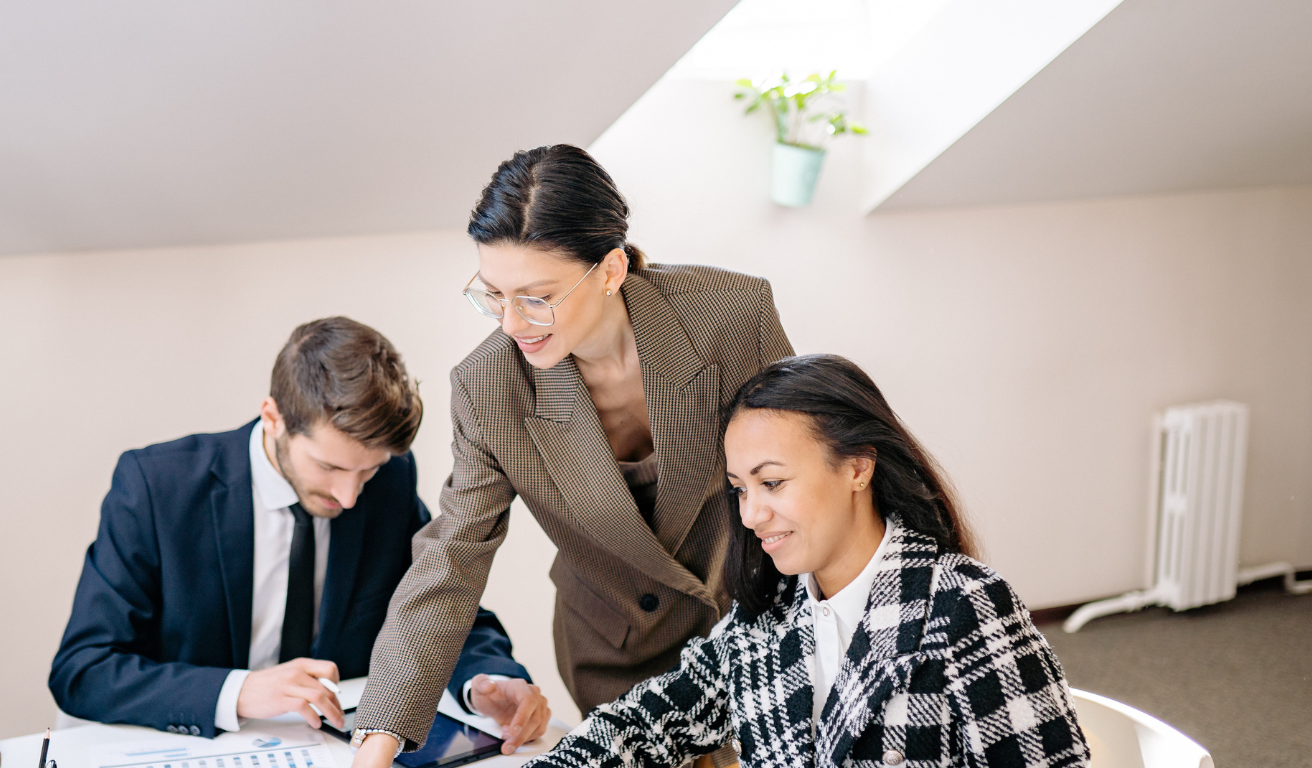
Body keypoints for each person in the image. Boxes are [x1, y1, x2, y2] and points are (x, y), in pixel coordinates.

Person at [349, 145, 794, 763]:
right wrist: (378, 739)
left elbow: (797, 476)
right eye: (493, 295)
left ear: (611, 269)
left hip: (748, 621)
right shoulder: (488, 388)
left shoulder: (730, 316)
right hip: (615, 648)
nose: (511, 323)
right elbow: (451, 557)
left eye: (536, 297)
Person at [519, 354, 1091, 768]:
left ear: (858, 469)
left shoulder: (965, 605)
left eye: (772, 482)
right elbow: (642, 724)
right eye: (740, 489)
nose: (751, 514)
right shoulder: (763, 621)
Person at [50, 317, 550, 753]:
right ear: (273, 417)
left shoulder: (390, 484)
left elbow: (442, 607)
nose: (350, 496)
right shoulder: (157, 487)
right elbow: (83, 670)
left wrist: (489, 680)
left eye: (368, 471)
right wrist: (239, 692)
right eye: (329, 466)